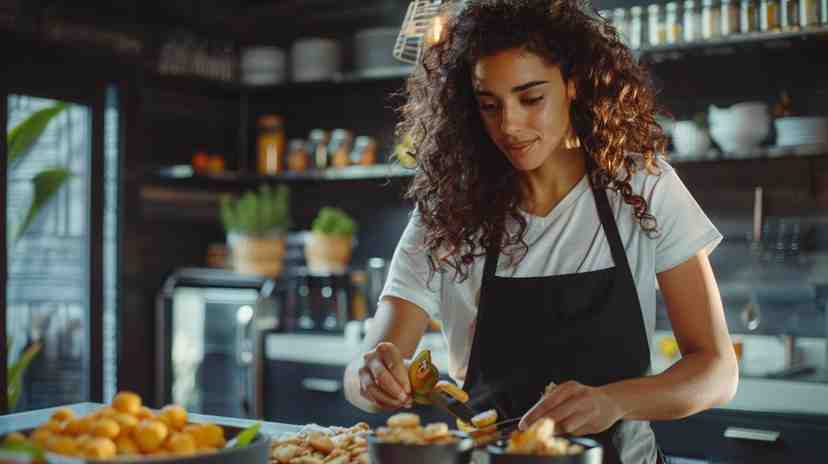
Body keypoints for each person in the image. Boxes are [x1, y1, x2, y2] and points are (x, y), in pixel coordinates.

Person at [343, 0, 739, 462]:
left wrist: (613, 401)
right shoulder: (449, 212)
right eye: (490, 105)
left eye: (531, 98)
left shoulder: (642, 188)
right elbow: (361, 374)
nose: (509, 125)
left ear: (572, 85)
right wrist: (372, 377)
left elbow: (717, 369)